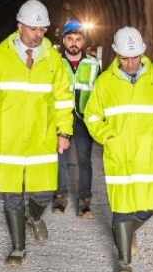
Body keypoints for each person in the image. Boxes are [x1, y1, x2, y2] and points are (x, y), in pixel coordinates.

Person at [0, 0, 74, 267]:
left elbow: (63, 99)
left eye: (43, 29)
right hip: (10, 138)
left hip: (42, 136)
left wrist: (64, 131)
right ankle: (18, 248)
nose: (38, 34)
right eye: (33, 28)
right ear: (19, 27)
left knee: (44, 192)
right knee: (11, 195)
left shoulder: (53, 59)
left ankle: (35, 216)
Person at [84, 27, 153, 272]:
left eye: (135, 57)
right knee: (121, 209)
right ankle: (124, 261)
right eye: (125, 58)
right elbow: (92, 116)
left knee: (147, 209)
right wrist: (108, 136)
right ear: (116, 54)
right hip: (118, 157)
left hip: (148, 157)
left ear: (143, 53)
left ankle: (125, 233)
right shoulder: (105, 82)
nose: (130, 63)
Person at [52, 18, 101, 218]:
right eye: (70, 38)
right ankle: (60, 197)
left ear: (83, 41)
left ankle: (84, 202)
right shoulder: (54, 62)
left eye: (78, 39)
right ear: (63, 40)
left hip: (82, 119)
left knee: (84, 160)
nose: (74, 42)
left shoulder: (93, 64)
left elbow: (99, 92)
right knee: (60, 159)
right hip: (60, 118)